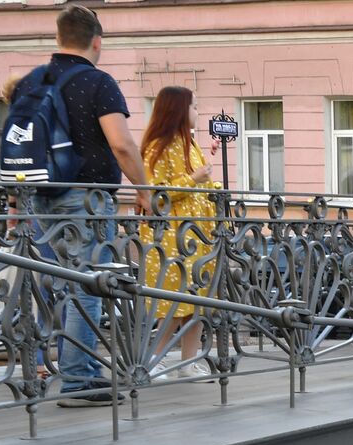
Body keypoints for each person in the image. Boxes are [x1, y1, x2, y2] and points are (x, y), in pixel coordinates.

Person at [16, 3, 149, 407]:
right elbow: (122, 143)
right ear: (97, 41)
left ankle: (83, 371)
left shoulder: (32, 81)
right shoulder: (97, 82)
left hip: (41, 195)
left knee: (67, 284)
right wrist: (144, 190)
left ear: (58, 37)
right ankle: (77, 380)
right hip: (87, 198)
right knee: (90, 284)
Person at [139, 85, 220, 377]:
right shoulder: (157, 146)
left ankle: (188, 361)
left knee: (197, 302)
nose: (197, 112)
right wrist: (195, 177)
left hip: (197, 235)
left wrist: (208, 182)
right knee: (173, 303)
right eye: (193, 106)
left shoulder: (190, 143)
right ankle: (155, 360)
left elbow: (200, 186)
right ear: (177, 109)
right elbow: (155, 195)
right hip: (172, 237)